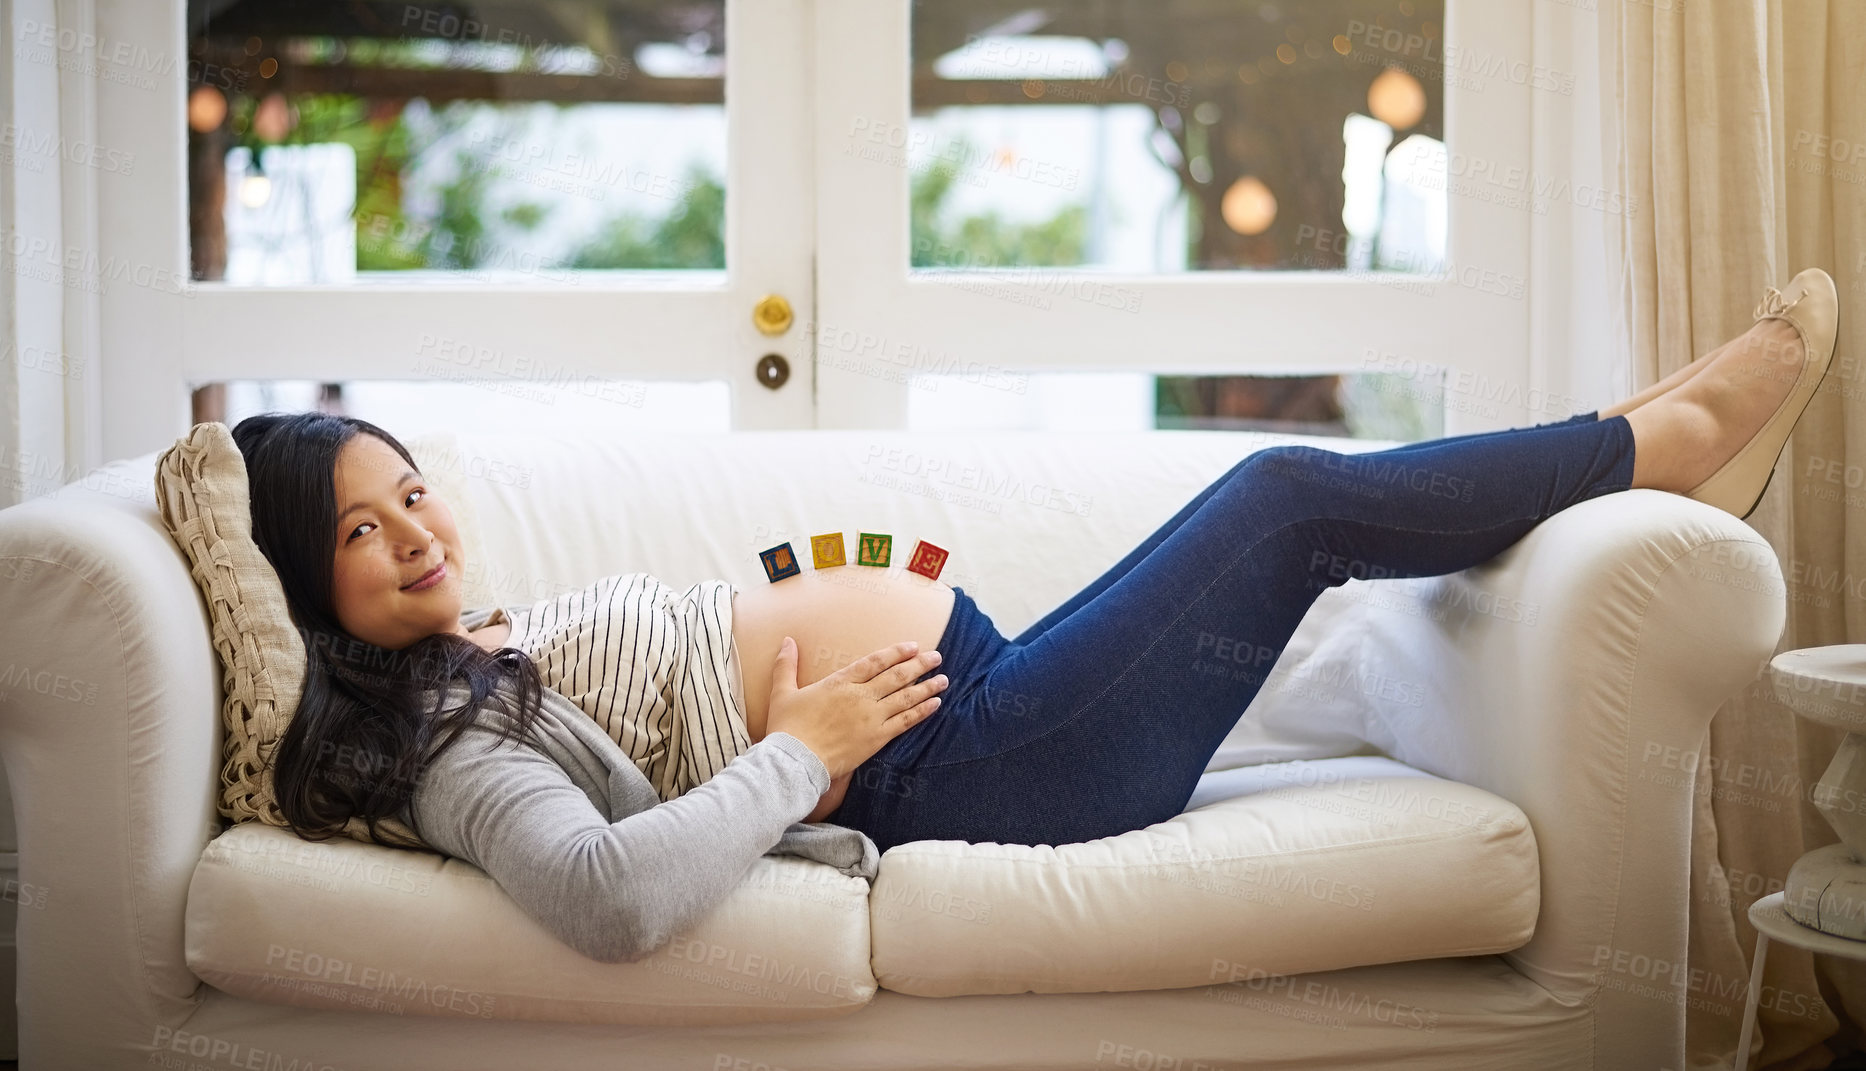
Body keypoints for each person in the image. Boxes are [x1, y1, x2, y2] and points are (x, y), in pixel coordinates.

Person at [233, 269, 1835, 961]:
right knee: (1282, 501)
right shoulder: (437, 734)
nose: (408, 534)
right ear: (307, 591)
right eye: (355, 537)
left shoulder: (462, 653)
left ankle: (1625, 437)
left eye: (409, 492)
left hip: (975, 694)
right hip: (975, 769)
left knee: (1264, 508)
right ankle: (1666, 446)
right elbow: (603, 897)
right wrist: (797, 752)